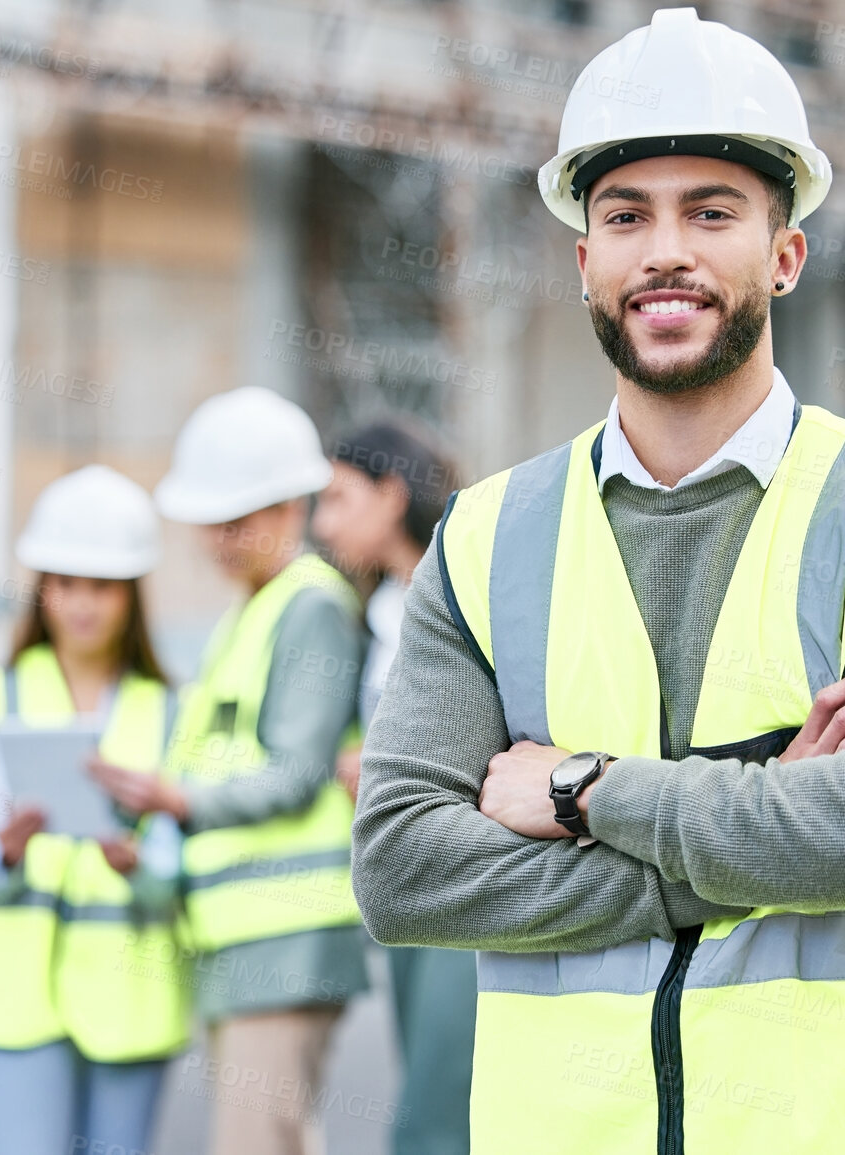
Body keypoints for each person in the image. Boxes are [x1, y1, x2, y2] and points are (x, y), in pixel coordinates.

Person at [351, 9, 845, 1155]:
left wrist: (583, 791)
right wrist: (758, 830)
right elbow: (406, 867)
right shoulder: (485, 535)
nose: (666, 250)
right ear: (585, 263)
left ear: (785, 254)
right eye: (627, 216)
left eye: (712, 212)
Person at [90, 386, 368, 1155]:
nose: (215, 538)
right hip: (245, 937)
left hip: (285, 932)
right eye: (208, 521)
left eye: (234, 519)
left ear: (289, 508)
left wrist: (176, 798)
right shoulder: (250, 612)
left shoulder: (307, 605)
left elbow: (296, 771)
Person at [0, 465, 190, 1155]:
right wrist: (7, 848)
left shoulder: (169, 706)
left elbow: (179, 864)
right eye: (65, 583)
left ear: (130, 596)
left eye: (102, 586)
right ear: (42, 590)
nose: (82, 603)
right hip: (16, 999)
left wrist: (137, 863)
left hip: (129, 1000)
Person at [310, 422, 472, 1155]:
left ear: (391, 493)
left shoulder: (470, 587)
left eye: (339, 498)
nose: (322, 522)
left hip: (464, 876)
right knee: (427, 1078)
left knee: (434, 1111)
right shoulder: (371, 612)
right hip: (400, 882)